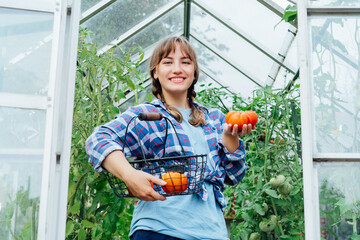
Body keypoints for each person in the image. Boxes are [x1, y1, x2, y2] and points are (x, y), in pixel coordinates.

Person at [85, 36, 254, 240]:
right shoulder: (145, 115)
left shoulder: (215, 118)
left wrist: (230, 137)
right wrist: (130, 175)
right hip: (160, 230)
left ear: (194, 72)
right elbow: (98, 140)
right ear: (155, 72)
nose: (177, 69)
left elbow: (234, 175)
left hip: (212, 233)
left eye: (185, 62)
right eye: (167, 62)